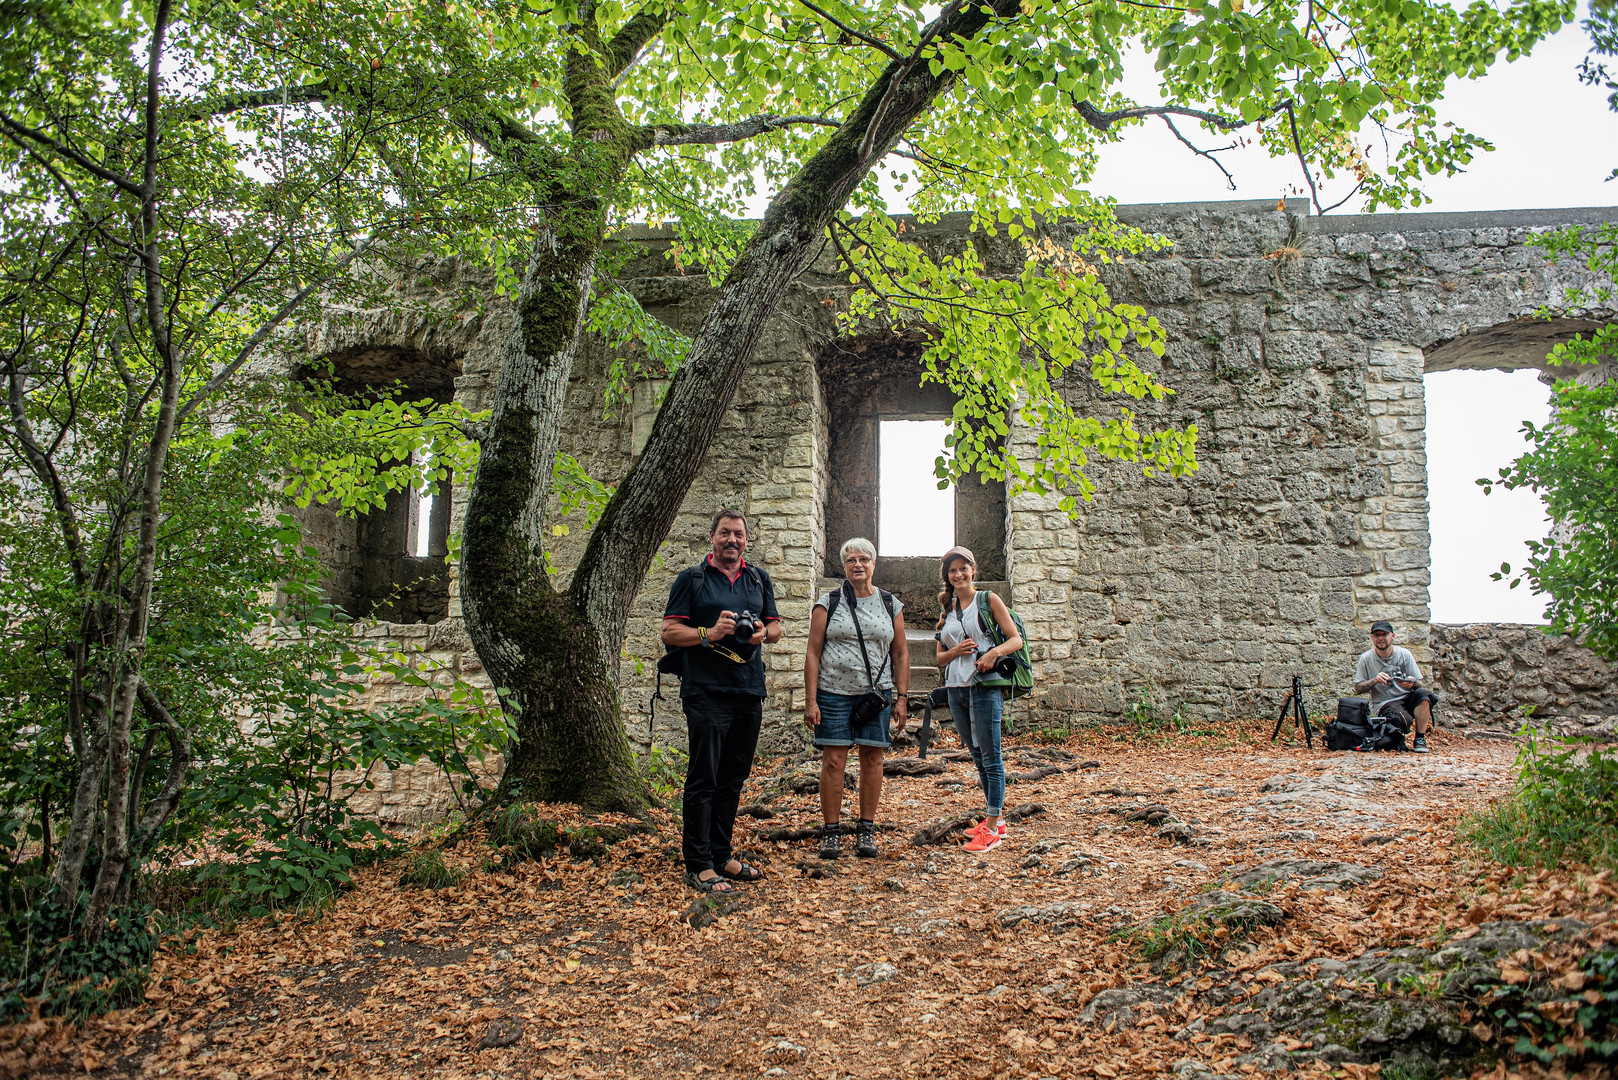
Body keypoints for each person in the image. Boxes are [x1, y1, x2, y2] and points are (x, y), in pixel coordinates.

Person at [660, 509, 782, 892]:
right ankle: (697, 863)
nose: (733, 540)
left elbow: (776, 627)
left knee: (733, 778)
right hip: (706, 690)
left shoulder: (758, 579)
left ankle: (721, 854)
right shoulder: (692, 579)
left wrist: (764, 631)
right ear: (711, 537)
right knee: (704, 776)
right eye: (725, 533)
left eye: (739, 535)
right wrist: (710, 633)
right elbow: (669, 630)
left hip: (748, 689)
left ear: (747, 540)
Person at [803, 538, 909, 859]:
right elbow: (813, 652)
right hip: (833, 693)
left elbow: (901, 653)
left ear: (874, 564)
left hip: (875, 695)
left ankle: (866, 829)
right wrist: (811, 700)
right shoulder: (828, 603)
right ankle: (831, 831)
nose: (858, 564)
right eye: (851, 560)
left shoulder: (891, 604)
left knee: (872, 760)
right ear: (844, 566)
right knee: (834, 762)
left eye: (864, 559)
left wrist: (902, 698)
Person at [935, 546, 1023, 852]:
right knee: (977, 756)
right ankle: (994, 821)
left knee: (991, 756)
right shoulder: (947, 609)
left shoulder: (988, 600)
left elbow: (1015, 639)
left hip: (984, 687)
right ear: (947, 576)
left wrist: (992, 653)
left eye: (963, 568)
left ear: (973, 570)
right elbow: (940, 659)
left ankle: (992, 827)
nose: (958, 574)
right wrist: (955, 651)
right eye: (952, 570)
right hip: (956, 689)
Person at [1353, 620, 1439, 754]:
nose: (1381, 638)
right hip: (1386, 702)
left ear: (1392, 636)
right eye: (1377, 635)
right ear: (1372, 638)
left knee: (1424, 695)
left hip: (1407, 696)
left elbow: (1419, 683)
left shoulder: (1404, 654)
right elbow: (1358, 688)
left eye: (1384, 634)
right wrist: (1375, 681)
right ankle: (1396, 738)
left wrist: (1412, 682)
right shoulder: (1366, 658)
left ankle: (1420, 738)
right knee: (1401, 718)